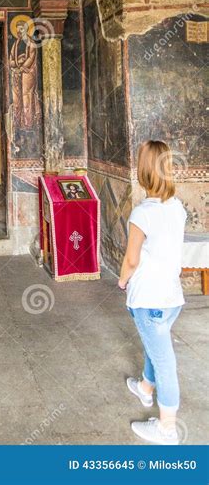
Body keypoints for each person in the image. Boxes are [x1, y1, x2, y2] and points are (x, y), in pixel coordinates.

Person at [118, 140, 187, 445]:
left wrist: (122, 281)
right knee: (154, 345)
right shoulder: (177, 208)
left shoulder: (142, 213)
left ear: (143, 171)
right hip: (171, 297)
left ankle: (167, 429)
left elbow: (131, 259)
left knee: (165, 361)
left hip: (149, 299)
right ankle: (146, 388)